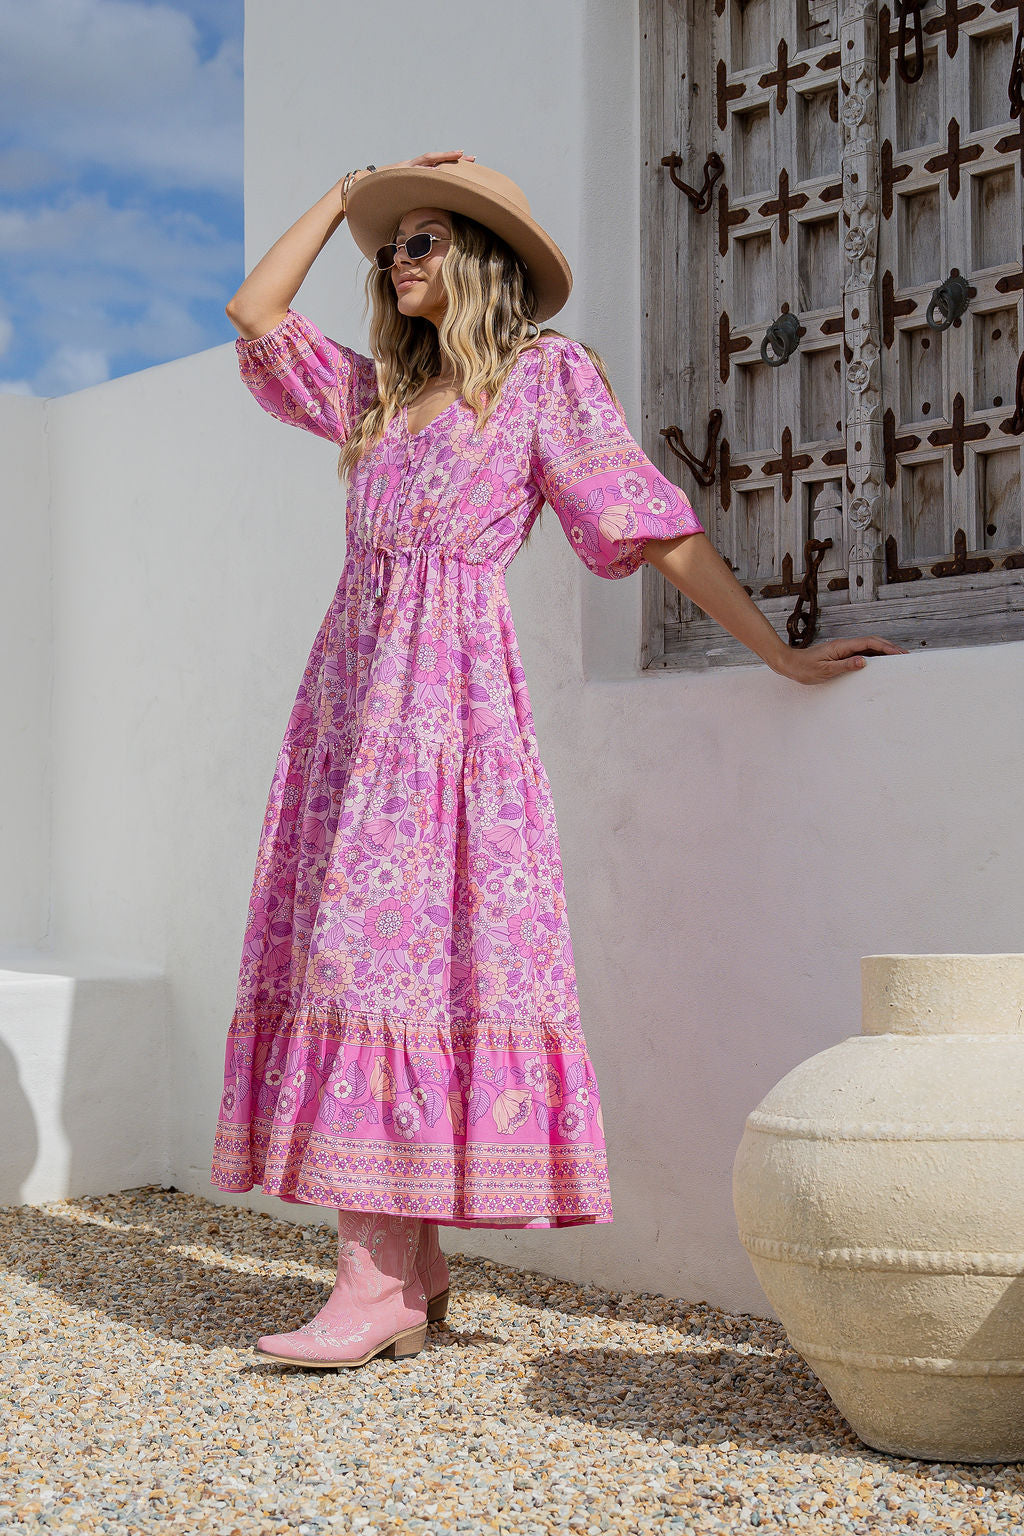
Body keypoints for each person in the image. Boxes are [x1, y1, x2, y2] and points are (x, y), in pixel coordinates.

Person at [211, 151, 900, 1369]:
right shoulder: (376, 395)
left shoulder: (543, 377)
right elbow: (254, 309)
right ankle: (410, 1267)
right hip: (350, 708)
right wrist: (348, 191)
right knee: (362, 958)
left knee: (390, 960)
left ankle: (371, 1284)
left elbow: (649, 522)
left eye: (422, 240)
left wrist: (775, 654)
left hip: (447, 706)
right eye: (391, 246)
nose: (397, 260)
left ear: (481, 259)